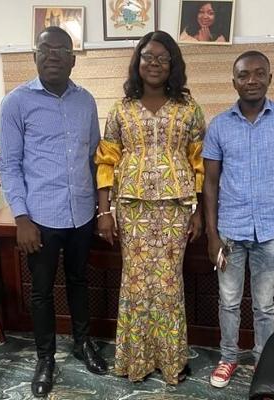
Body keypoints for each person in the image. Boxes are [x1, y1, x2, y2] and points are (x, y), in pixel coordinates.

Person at [0, 26, 108, 398]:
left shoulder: (86, 101)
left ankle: (82, 343)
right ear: (35, 56)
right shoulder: (16, 103)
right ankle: (45, 358)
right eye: (45, 49)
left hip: (82, 213)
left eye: (61, 50)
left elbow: (95, 158)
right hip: (40, 218)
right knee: (42, 292)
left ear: (73, 59)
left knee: (79, 281)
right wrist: (21, 218)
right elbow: (9, 164)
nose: (53, 56)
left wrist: (102, 208)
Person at [202, 50, 274, 388]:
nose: (251, 80)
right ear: (234, 82)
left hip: (270, 230)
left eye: (258, 73)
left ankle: (262, 361)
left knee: (265, 305)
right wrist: (212, 234)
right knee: (229, 301)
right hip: (230, 232)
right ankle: (228, 358)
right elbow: (210, 183)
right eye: (243, 75)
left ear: (270, 78)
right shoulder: (220, 125)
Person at [94, 30, 205, 385]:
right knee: (136, 283)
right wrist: (104, 212)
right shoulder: (121, 109)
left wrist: (199, 211)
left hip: (175, 207)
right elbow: (106, 162)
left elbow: (199, 162)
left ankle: (171, 361)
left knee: (169, 283)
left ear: (173, 64)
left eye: (162, 58)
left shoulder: (189, 109)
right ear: (137, 61)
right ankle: (135, 360)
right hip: (133, 208)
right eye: (148, 57)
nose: (154, 63)